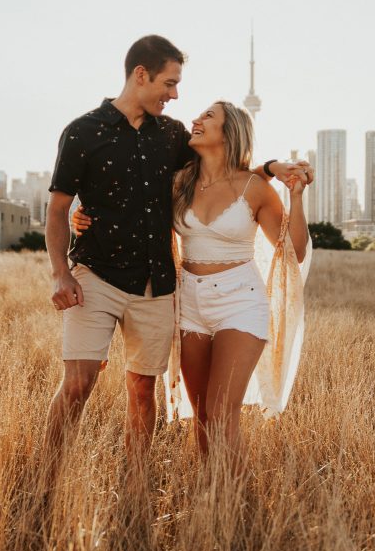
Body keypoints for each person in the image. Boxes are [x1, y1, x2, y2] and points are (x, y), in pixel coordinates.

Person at [45, 35, 311, 472]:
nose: (177, 96)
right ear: (141, 75)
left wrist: (275, 171)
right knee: (87, 387)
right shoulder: (93, 136)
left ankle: (160, 488)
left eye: (180, 87)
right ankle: (48, 474)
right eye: (170, 84)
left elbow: (234, 172)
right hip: (126, 285)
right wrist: (69, 250)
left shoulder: (171, 136)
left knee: (169, 398)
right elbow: (69, 205)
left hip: (180, 290)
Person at [169, 100, 310, 466]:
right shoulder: (180, 181)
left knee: (220, 410)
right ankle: (214, 497)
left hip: (240, 301)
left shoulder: (255, 188)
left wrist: (295, 196)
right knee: (200, 413)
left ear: (228, 131)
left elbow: (293, 249)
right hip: (188, 302)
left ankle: (237, 497)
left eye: (207, 116)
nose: (196, 120)